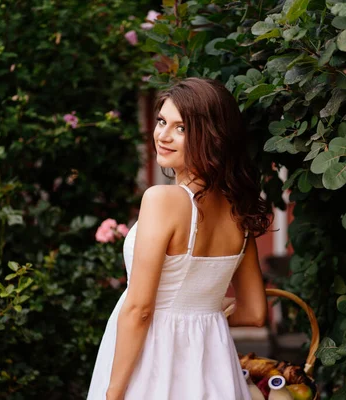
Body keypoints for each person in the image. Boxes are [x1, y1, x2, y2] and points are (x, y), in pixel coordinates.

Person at [87, 77, 271, 400]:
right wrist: (203, 306)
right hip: (212, 364)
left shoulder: (162, 200)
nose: (163, 135)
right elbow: (255, 312)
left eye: (181, 128)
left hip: (153, 362)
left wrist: (112, 393)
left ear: (211, 137)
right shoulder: (239, 213)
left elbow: (140, 309)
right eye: (161, 121)